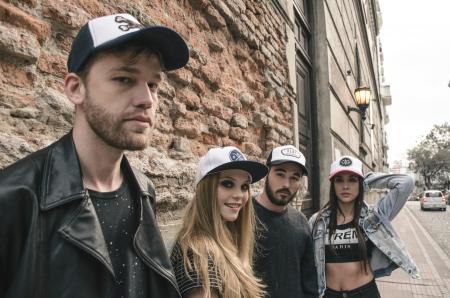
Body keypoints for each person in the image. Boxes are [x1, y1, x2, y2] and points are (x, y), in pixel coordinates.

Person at [0, 13, 189, 297]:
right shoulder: (14, 197)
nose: (147, 100)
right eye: (125, 78)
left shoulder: (143, 190)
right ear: (76, 89)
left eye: (153, 84)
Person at [309, 155, 420, 298]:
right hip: (328, 294)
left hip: (365, 293)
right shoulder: (317, 221)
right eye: (339, 180)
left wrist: (365, 181)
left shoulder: (374, 216)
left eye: (352, 180)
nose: (345, 186)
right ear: (333, 185)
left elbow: (405, 182)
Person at [170, 146, 268, 298]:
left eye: (244, 186)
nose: (239, 195)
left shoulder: (226, 241)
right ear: (206, 189)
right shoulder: (198, 253)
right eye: (228, 184)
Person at [253, 145, 318, 298]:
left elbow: (310, 281)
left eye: (294, 177)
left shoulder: (301, 222)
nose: (286, 184)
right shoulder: (241, 216)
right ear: (267, 173)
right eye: (280, 174)